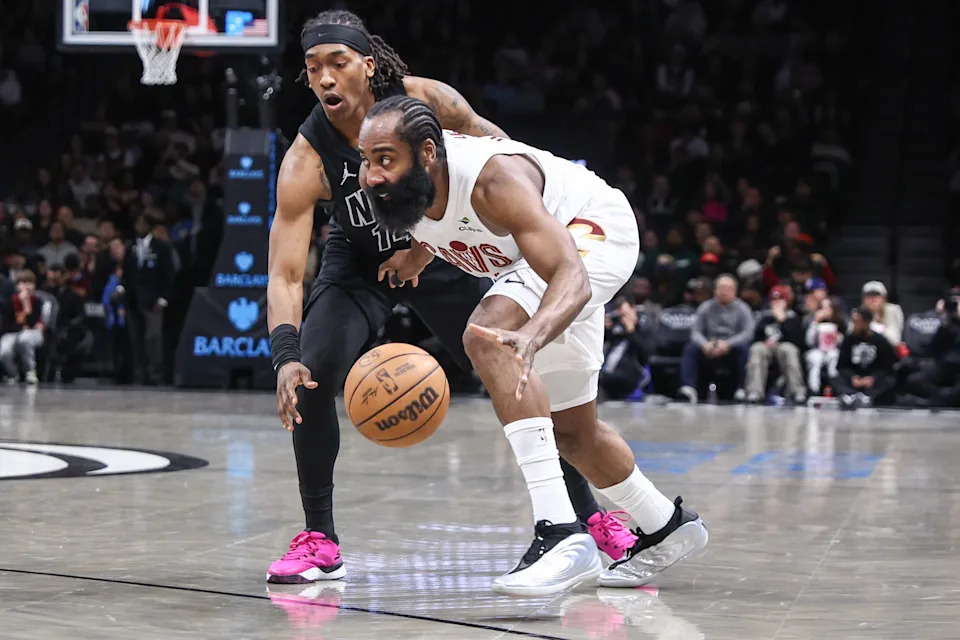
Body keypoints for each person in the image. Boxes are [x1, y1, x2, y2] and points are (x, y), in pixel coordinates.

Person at [266, 10, 630, 586]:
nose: (327, 79)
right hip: (359, 266)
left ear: (367, 63)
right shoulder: (307, 158)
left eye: (339, 63)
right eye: (314, 69)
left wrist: (430, 247)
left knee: (509, 364)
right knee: (310, 373)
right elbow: (286, 275)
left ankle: (588, 516)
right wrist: (284, 356)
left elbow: (506, 165)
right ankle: (319, 540)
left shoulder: (427, 103)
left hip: (441, 251)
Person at [359, 96, 707, 596]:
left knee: (486, 334)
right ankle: (666, 528)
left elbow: (571, 274)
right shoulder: (403, 190)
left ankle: (561, 532)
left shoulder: (491, 180)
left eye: (384, 159)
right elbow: (438, 223)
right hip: (537, 263)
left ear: (429, 152)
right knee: (573, 434)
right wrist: (417, 256)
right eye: (366, 159)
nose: (371, 173)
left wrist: (534, 333)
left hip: (591, 230)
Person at [678, 275, 755, 403]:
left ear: (735, 291)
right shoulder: (705, 307)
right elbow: (695, 331)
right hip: (709, 347)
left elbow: (748, 333)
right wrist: (704, 344)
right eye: (721, 288)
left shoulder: (743, 309)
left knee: (745, 350)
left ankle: (742, 388)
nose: (724, 291)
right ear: (715, 291)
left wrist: (727, 344)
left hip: (731, 347)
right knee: (690, 349)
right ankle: (688, 388)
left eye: (728, 288)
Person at [121, 214, 175, 385]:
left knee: (152, 338)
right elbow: (126, 274)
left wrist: (163, 298)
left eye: (143, 224)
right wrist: (121, 288)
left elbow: (169, 275)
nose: (139, 226)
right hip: (133, 300)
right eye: (137, 223)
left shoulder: (162, 248)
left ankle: (155, 374)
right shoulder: (130, 247)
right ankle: (140, 374)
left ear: (150, 226)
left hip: (153, 301)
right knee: (135, 339)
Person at [744, 285, 806, 404]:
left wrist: (782, 320)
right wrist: (764, 341)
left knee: (789, 350)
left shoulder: (793, 317)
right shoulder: (764, 317)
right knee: (756, 349)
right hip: (766, 347)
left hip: (784, 346)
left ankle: (797, 391)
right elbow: (755, 337)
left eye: (780, 300)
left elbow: (798, 342)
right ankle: (754, 391)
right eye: (774, 300)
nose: (776, 303)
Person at [831, 307, 897, 409]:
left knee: (889, 381)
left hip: (872, 379)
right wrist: (852, 377)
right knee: (835, 377)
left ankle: (867, 397)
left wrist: (872, 378)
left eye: (857, 322)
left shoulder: (881, 341)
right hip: (854, 378)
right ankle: (850, 395)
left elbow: (887, 367)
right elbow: (842, 365)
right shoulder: (849, 339)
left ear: (867, 322)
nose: (854, 325)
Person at [906, 290, 960, 407]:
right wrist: (945, 321)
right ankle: (943, 398)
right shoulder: (946, 322)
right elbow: (935, 345)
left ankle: (940, 400)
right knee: (914, 380)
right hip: (944, 365)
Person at [1, 270, 47, 384]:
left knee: (25, 339)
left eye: (29, 283)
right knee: (4, 351)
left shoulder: (38, 301)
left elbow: (32, 323)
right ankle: (13, 374)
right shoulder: (10, 302)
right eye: (22, 283)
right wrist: (20, 327)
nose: (26, 286)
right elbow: (8, 324)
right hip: (14, 332)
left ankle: (30, 371)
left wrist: (26, 304)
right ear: (17, 286)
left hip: (33, 332)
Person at [804, 295, 845, 394]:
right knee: (815, 359)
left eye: (828, 308)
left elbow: (845, 343)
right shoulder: (811, 320)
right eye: (823, 308)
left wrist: (838, 337)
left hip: (833, 350)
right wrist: (815, 323)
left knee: (834, 357)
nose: (825, 311)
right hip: (817, 349)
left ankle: (834, 386)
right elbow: (809, 342)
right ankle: (814, 389)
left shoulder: (841, 322)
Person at [860, 281, 904, 347]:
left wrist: (873, 327)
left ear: (884, 298)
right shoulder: (858, 313)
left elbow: (895, 340)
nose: (872, 300)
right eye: (869, 296)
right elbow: (851, 337)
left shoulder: (893, 310)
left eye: (876, 295)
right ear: (863, 299)